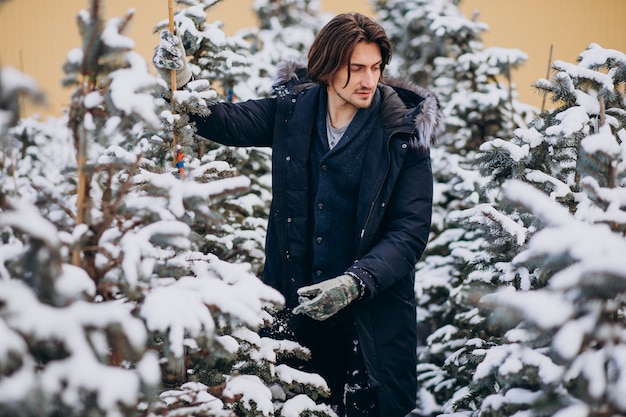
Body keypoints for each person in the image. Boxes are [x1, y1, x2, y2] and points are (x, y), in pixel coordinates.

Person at [153, 12, 444, 417]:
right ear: (327, 68)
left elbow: (409, 232)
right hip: (297, 313)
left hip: (369, 320)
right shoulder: (293, 111)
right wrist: (181, 83)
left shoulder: (402, 132)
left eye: (376, 68)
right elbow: (228, 122)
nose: (368, 80)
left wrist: (355, 281)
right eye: (355, 68)